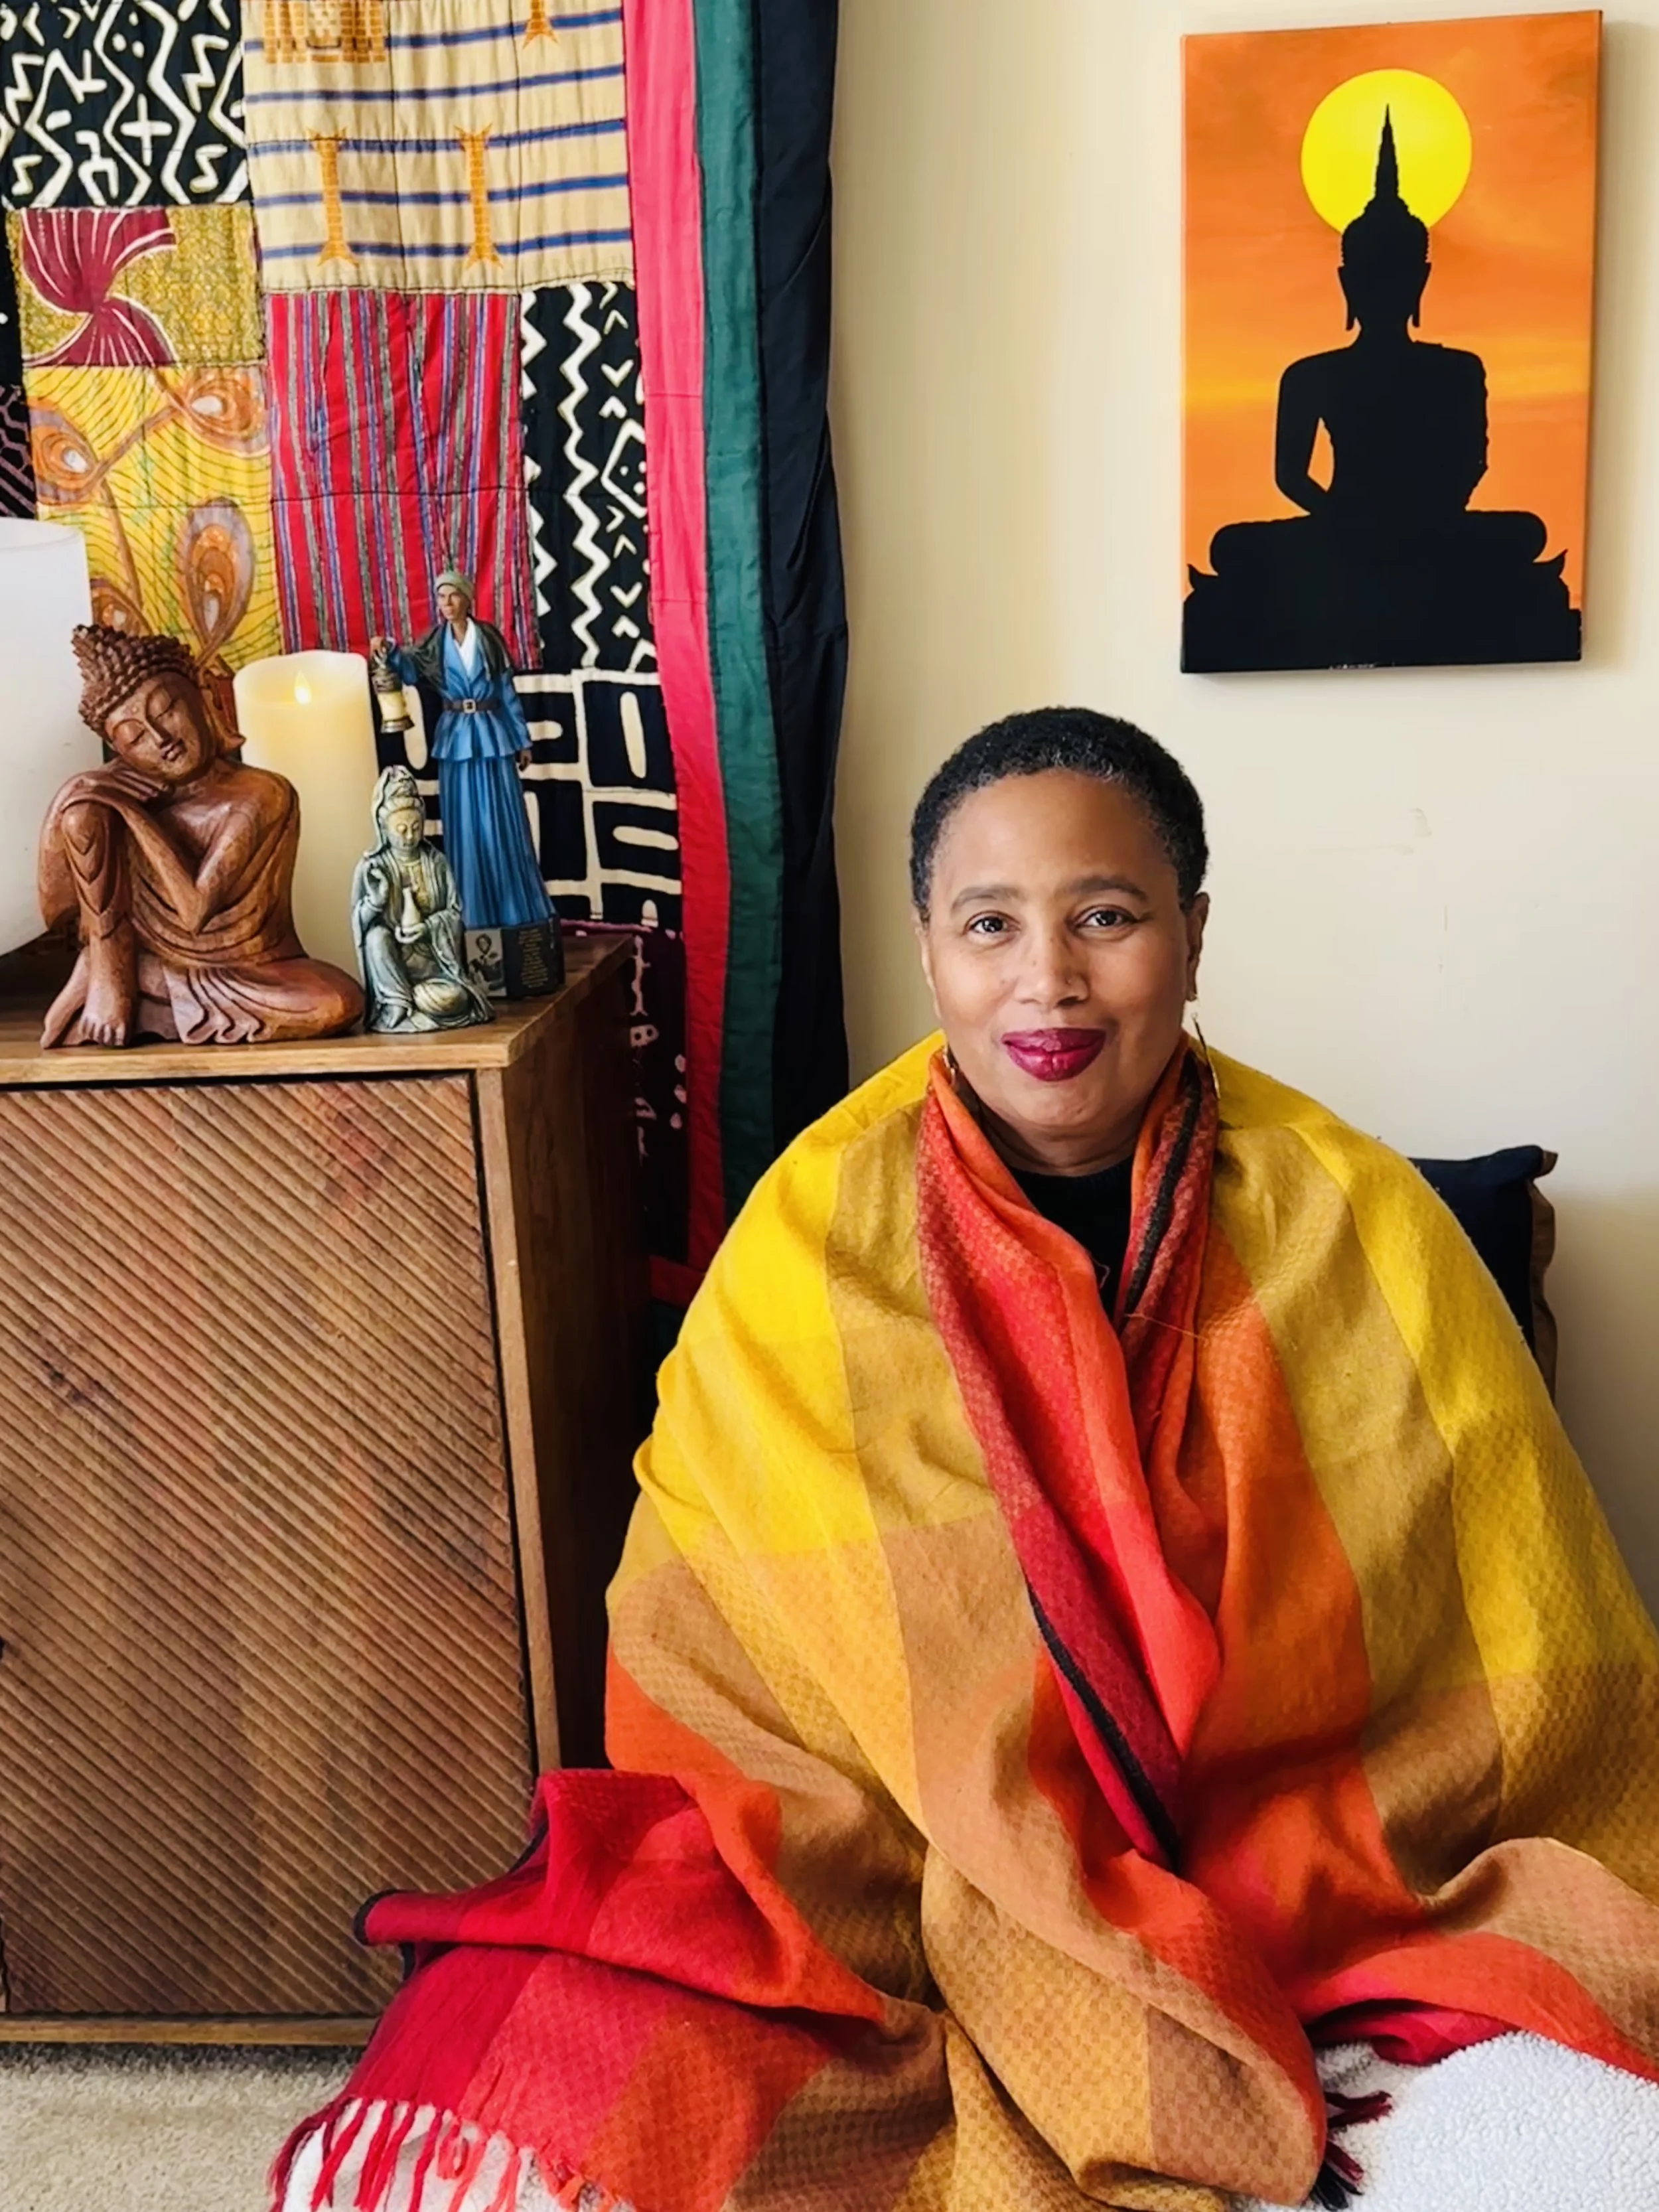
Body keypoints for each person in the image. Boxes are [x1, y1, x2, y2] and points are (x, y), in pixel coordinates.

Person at [275, 710, 1659, 2212]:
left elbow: (1517, 1656)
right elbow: (749, 1653)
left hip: (1319, 1872)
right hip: (863, 1872)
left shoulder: (1364, 1221)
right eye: (989, 924)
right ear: (929, 951)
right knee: (496, 2091)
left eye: (1106, 917)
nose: (1046, 979)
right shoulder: (812, 1234)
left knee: (1594, 2132)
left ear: (1194, 937)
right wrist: (1010, 1853)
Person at [40, 625, 362, 1049]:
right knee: (84, 809)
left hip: (252, 969)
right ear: (122, 753)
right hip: (150, 958)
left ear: (203, 697)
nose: (162, 739)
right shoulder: (118, 799)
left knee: (338, 1001)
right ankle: (108, 972)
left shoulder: (261, 794)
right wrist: (75, 793)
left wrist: (134, 815)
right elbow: (56, 905)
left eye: (167, 709)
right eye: (135, 737)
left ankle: (145, 981)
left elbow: (194, 912)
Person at [370, 572, 552, 936]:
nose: (447, 604)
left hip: (492, 736)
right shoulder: (435, 643)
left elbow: (506, 691)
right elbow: (409, 670)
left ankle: (518, 913)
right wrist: (387, 649)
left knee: (502, 822)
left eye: (454, 596)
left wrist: (522, 740)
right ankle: (474, 915)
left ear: (468, 599)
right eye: (441, 598)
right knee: (465, 825)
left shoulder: (488, 639)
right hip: (455, 739)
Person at [351, 765, 492, 1033]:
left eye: (416, 828)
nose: (409, 836)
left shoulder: (436, 862)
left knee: (455, 999)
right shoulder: (373, 867)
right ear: (383, 827)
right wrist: (376, 902)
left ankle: (419, 1004)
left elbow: (454, 913)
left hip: (434, 964)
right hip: (395, 967)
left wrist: (428, 928)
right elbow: (359, 923)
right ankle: (397, 1003)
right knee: (376, 938)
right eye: (401, 829)